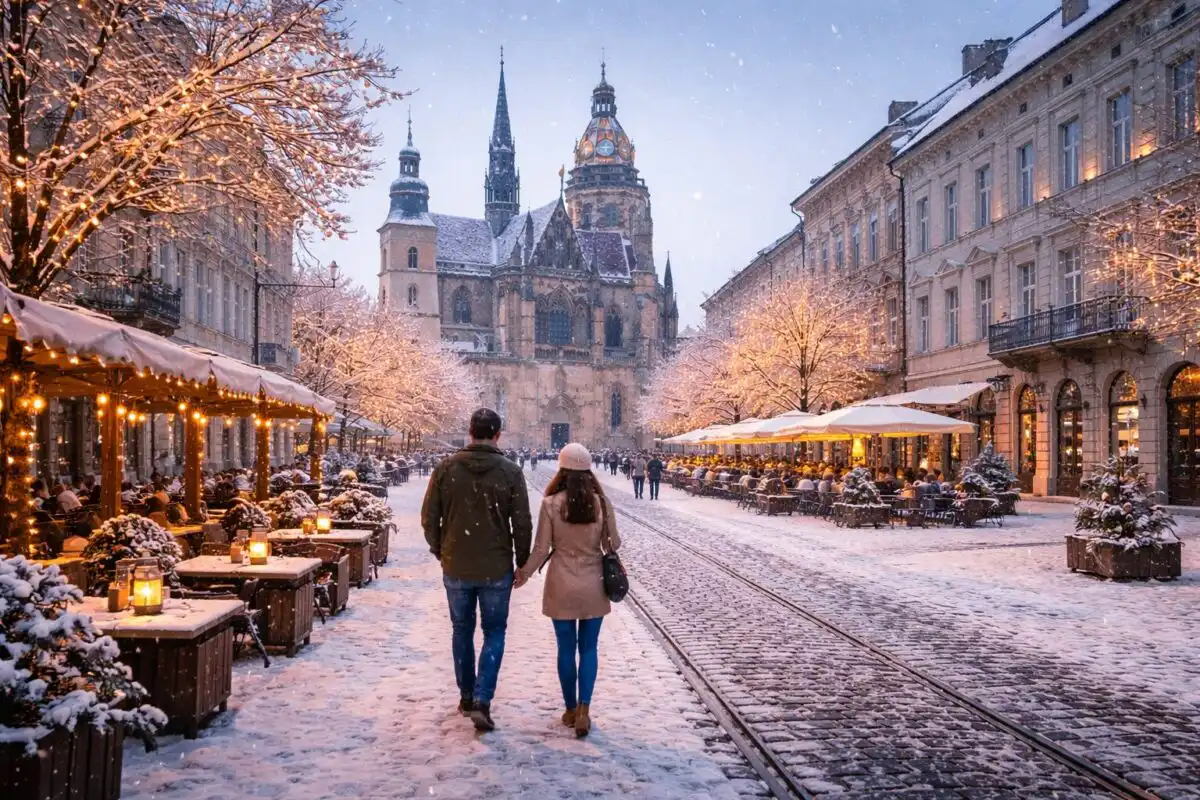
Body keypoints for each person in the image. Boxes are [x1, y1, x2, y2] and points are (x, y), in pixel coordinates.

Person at [421, 408, 532, 732]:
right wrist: (521, 561)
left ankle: (467, 695)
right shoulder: (510, 472)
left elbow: (429, 519)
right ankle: (483, 699)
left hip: (456, 564)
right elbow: (522, 523)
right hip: (496, 566)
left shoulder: (446, 468)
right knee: (494, 632)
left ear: (470, 432)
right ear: (497, 434)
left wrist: (442, 549)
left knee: (461, 630)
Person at [515, 443, 620, 738]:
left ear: (561, 469)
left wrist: (522, 573)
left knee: (565, 648)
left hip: (561, 582)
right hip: (593, 584)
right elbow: (614, 545)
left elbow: (540, 548)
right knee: (588, 649)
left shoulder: (550, 503)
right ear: (588, 470)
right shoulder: (601, 502)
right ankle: (585, 708)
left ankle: (571, 709)